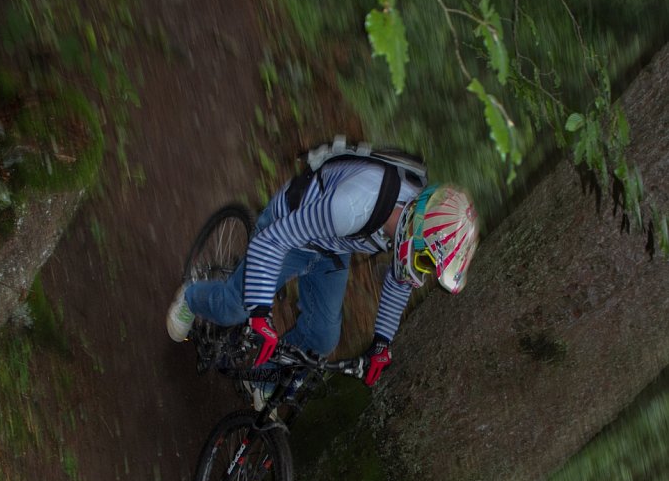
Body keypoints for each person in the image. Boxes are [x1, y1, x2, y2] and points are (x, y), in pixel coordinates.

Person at [166, 147, 479, 398]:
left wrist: (381, 344)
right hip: (289, 229)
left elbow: (400, 282)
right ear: (419, 229)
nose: (420, 272)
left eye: (427, 267)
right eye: (425, 262)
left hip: (332, 249)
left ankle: (262, 379)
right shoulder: (353, 205)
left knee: (323, 336)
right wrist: (260, 311)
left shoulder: (410, 224)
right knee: (237, 307)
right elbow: (272, 240)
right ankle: (191, 298)